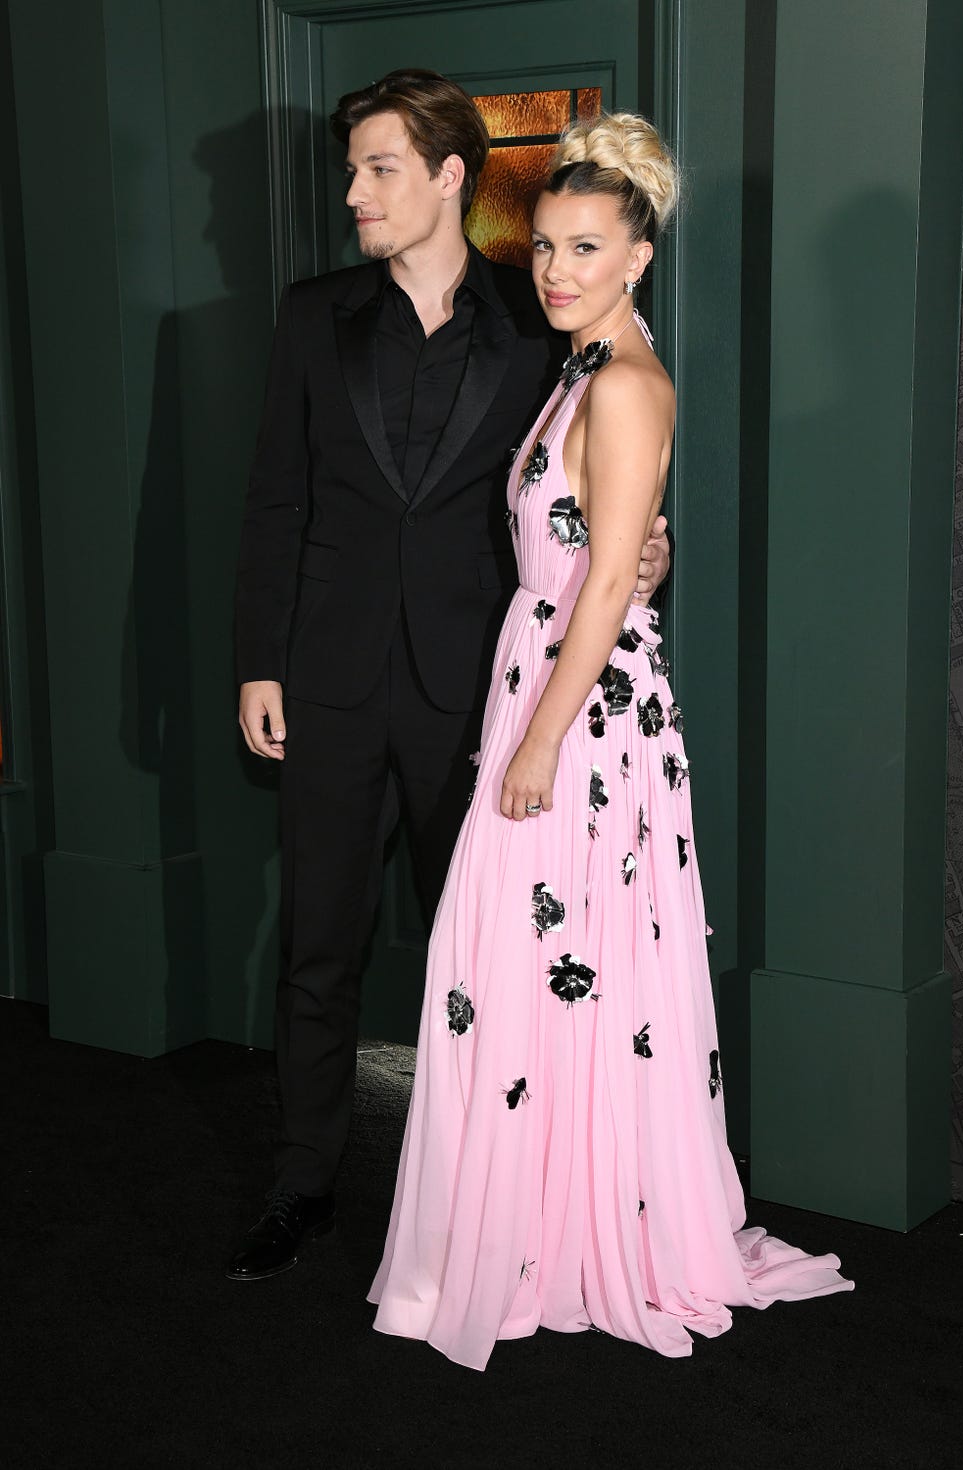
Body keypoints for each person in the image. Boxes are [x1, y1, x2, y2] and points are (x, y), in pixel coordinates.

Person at [369, 112, 853, 1369]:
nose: (554, 271)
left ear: (637, 256)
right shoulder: (583, 370)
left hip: (575, 717)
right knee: (530, 969)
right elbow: (604, 554)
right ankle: (537, 1226)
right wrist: (638, 565)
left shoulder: (628, 381)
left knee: (537, 962)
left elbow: (595, 591)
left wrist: (536, 742)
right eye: (541, 247)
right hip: (552, 684)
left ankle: (567, 1236)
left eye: (584, 248)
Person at [228, 71, 671, 1281]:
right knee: (317, 949)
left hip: (477, 699)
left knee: (473, 962)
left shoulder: (541, 327)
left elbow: (580, 497)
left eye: (379, 168)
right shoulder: (314, 314)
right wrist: (258, 663)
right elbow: (276, 499)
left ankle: (472, 1203)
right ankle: (302, 1183)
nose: (357, 193)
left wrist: (648, 555)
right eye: (352, 169)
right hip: (322, 687)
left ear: (444, 179)